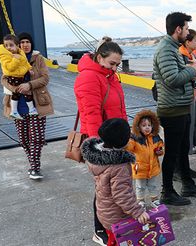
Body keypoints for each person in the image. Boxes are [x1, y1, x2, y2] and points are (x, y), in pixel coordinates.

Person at [153, 12, 196, 206]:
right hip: (172, 109)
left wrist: (192, 72)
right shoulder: (166, 50)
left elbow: (177, 75)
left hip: (181, 107)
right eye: (186, 28)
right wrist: (193, 70)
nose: (187, 32)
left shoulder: (173, 48)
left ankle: (187, 184)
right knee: (173, 153)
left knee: (183, 149)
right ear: (178, 29)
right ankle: (167, 191)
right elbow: (172, 79)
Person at [74, 36, 126, 246]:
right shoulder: (89, 77)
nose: (114, 67)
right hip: (101, 143)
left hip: (114, 139)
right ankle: (99, 230)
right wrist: (100, 149)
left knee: (114, 188)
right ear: (99, 57)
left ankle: (112, 226)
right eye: (111, 63)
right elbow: (92, 114)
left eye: (117, 64)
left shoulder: (109, 76)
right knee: (104, 189)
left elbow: (118, 108)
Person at [82, 118, 150, 246]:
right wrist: (137, 211)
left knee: (113, 239)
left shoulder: (98, 156)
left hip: (104, 211)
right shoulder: (119, 167)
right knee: (123, 240)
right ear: (122, 142)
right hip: (117, 215)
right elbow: (121, 195)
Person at [0, 32, 54, 180]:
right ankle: (33, 162)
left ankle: (34, 168)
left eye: (28, 41)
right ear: (18, 45)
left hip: (36, 105)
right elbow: (4, 80)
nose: (25, 44)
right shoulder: (10, 58)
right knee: (24, 139)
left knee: (36, 138)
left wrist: (29, 84)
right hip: (17, 107)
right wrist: (15, 88)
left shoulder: (38, 59)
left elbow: (45, 78)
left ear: (31, 44)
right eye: (22, 42)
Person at [125, 110, 164, 209]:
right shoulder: (134, 138)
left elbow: (160, 146)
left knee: (153, 185)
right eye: (144, 125)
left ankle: (154, 199)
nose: (147, 127)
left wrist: (160, 151)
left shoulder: (155, 137)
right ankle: (140, 201)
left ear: (153, 126)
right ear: (138, 127)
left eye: (149, 125)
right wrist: (126, 142)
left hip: (153, 167)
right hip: (140, 169)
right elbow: (129, 147)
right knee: (140, 187)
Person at [0, 34, 38, 120]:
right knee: (24, 92)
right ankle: (29, 109)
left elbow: (25, 62)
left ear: (17, 46)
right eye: (6, 45)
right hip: (13, 77)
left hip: (19, 76)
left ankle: (18, 111)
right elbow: (10, 68)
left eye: (11, 45)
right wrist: (16, 59)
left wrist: (29, 69)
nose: (8, 48)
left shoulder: (20, 53)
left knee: (17, 94)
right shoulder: (5, 56)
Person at [178, 28, 196, 178]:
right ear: (188, 42)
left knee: (189, 133)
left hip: (191, 96)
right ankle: (180, 169)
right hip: (185, 99)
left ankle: (184, 166)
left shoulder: (191, 55)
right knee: (183, 134)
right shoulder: (182, 56)